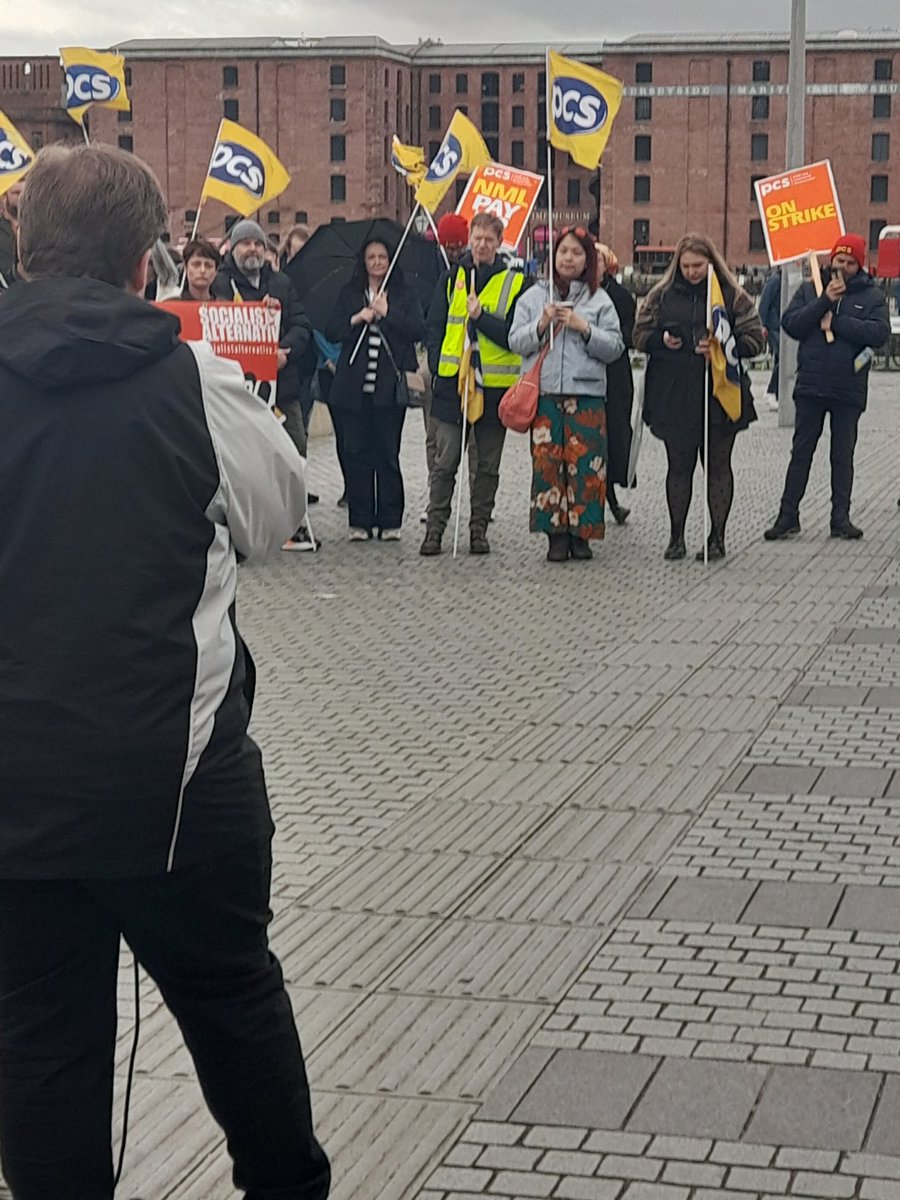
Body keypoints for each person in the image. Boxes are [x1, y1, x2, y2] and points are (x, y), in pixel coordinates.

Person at [0, 143, 329, 1200]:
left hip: (16, 790)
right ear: (147, 263)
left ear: (22, 247)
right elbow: (278, 516)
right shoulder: (193, 374)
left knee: (41, 1047)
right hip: (180, 785)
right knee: (234, 1004)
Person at [633, 232, 765, 562]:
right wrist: (661, 340)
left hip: (719, 391)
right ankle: (676, 537)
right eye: (686, 265)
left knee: (718, 466)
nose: (692, 272)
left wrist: (725, 345)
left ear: (711, 263)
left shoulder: (733, 296)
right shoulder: (660, 295)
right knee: (679, 466)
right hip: (674, 390)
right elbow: (637, 334)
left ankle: (717, 537)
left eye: (699, 265)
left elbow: (756, 341)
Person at [764, 234, 891, 542]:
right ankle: (788, 516)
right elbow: (791, 324)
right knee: (801, 452)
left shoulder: (872, 296)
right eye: (839, 261)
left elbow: (879, 333)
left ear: (859, 265)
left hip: (848, 387)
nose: (843, 267)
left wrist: (837, 322)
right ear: (830, 260)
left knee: (842, 454)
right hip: (811, 385)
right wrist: (824, 302)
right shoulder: (811, 290)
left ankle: (840, 517)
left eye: (850, 262)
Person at [509, 227, 625, 562]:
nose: (568, 259)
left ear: (588, 258)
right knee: (547, 467)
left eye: (576, 253)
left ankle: (582, 534)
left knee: (587, 468)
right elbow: (515, 341)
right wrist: (540, 325)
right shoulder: (533, 298)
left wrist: (583, 327)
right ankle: (555, 535)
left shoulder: (600, 300)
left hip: (586, 396)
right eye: (563, 252)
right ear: (552, 257)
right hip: (545, 395)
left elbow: (616, 347)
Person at [421, 212, 528, 556]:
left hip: (495, 389)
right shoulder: (453, 278)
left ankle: (478, 529)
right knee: (445, 461)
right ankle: (435, 529)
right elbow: (435, 325)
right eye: (477, 238)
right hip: (454, 386)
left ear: (499, 243)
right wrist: (438, 365)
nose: (482, 245)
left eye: (489, 240)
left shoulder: (515, 283)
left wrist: (481, 316)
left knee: (486, 466)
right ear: (470, 239)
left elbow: (514, 336)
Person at [212, 218, 319, 548]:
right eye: (246, 243)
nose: (253, 249)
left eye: (258, 243)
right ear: (233, 248)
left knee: (294, 450)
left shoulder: (281, 283)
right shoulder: (220, 284)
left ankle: (293, 522)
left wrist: (285, 349)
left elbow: (302, 324)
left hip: (281, 388)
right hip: (238, 391)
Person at [326, 236, 424, 540]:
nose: (378, 262)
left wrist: (387, 313)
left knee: (387, 453)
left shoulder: (404, 294)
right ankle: (361, 519)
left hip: (388, 389)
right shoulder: (349, 293)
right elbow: (332, 330)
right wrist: (359, 317)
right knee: (357, 454)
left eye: (382, 257)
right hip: (353, 389)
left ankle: (390, 519)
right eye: (372, 257)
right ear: (363, 262)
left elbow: (417, 330)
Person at [418, 212, 471, 523]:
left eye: (457, 246)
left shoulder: (467, 269)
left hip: (470, 362)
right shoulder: (427, 264)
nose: (452, 251)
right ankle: (434, 492)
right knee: (435, 436)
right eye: (448, 246)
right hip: (440, 363)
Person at [597, 243, 637, 525]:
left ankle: (613, 489)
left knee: (615, 432)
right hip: (587, 372)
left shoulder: (620, 296)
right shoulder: (575, 293)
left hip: (615, 373)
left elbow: (629, 334)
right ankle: (605, 499)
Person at [759, 267, 782, 411]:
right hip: (773, 325)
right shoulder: (775, 280)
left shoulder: (780, 280)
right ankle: (771, 391)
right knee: (782, 358)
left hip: (779, 325)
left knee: (780, 359)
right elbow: (764, 303)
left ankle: (775, 393)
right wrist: (762, 325)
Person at [0, 179, 24, 288]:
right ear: (4, 197)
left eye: (26, 192)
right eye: (17, 193)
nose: (23, 198)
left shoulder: (43, 227)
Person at [180, 236, 220, 301]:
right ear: (186, 267)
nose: (202, 270)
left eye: (208, 265)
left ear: (216, 271)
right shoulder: (171, 305)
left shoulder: (224, 307)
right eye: (196, 264)